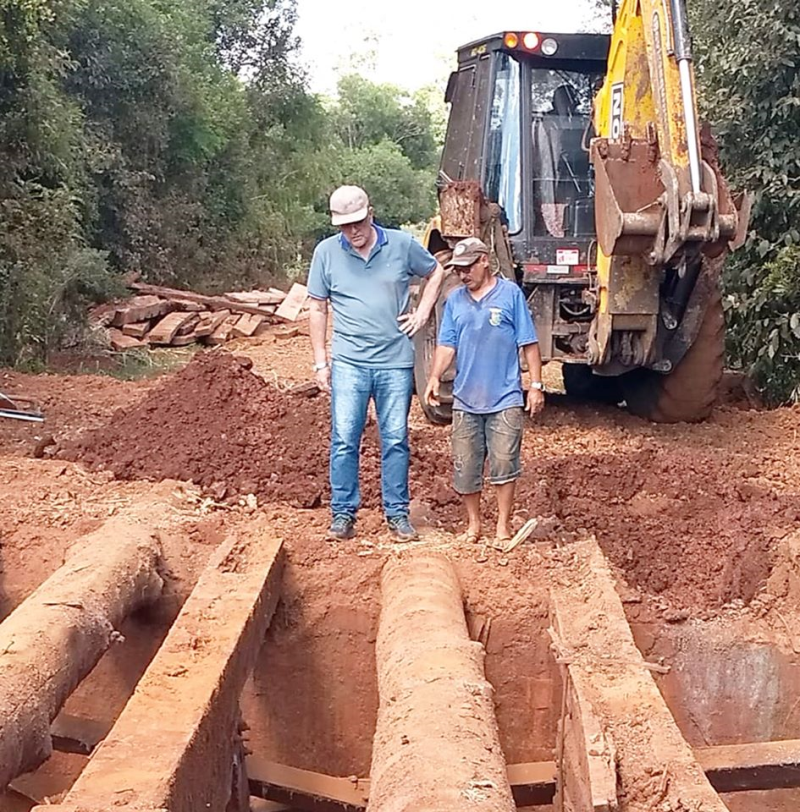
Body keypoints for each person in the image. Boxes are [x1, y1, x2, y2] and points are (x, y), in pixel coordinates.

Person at [308, 185, 445, 542]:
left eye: (357, 222)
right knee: (343, 439)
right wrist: (321, 363)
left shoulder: (401, 245)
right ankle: (342, 515)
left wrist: (423, 313)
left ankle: (397, 514)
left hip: (395, 361)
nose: (352, 232)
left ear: (371, 213)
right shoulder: (326, 253)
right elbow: (318, 306)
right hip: (350, 362)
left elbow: (435, 273)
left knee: (396, 439)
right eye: (344, 226)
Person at [423, 237, 544, 546]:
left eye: (467, 268)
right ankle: (474, 524)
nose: (463, 275)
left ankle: (502, 525)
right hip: (466, 399)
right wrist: (434, 377)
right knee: (465, 465)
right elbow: (447, 344)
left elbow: (528, 343)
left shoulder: (510, 295)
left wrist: (535, 386)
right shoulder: (455, 301)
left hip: (504, 396)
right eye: (458, 270)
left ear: (484, 261)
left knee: (505, 462)